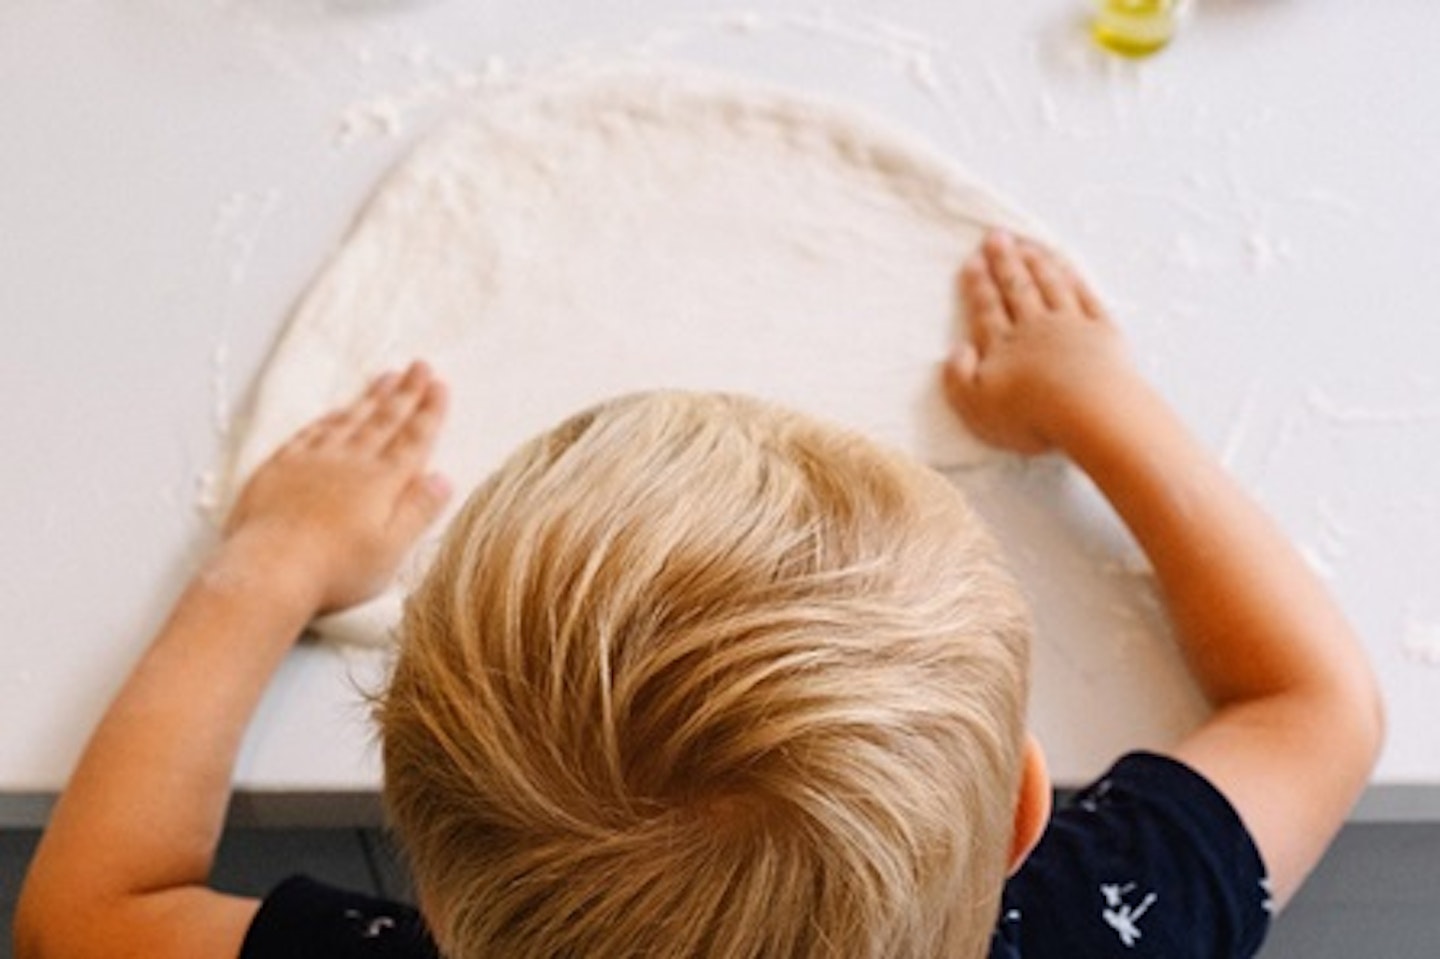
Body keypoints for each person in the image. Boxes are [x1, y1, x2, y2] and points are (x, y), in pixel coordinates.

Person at [15, 231, 1383, 958]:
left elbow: (85, 916)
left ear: (430, 876)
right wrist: (1106, 409)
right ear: (1025, 810)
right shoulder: (1091, 933)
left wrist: (270, 565)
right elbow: (1317, 705)